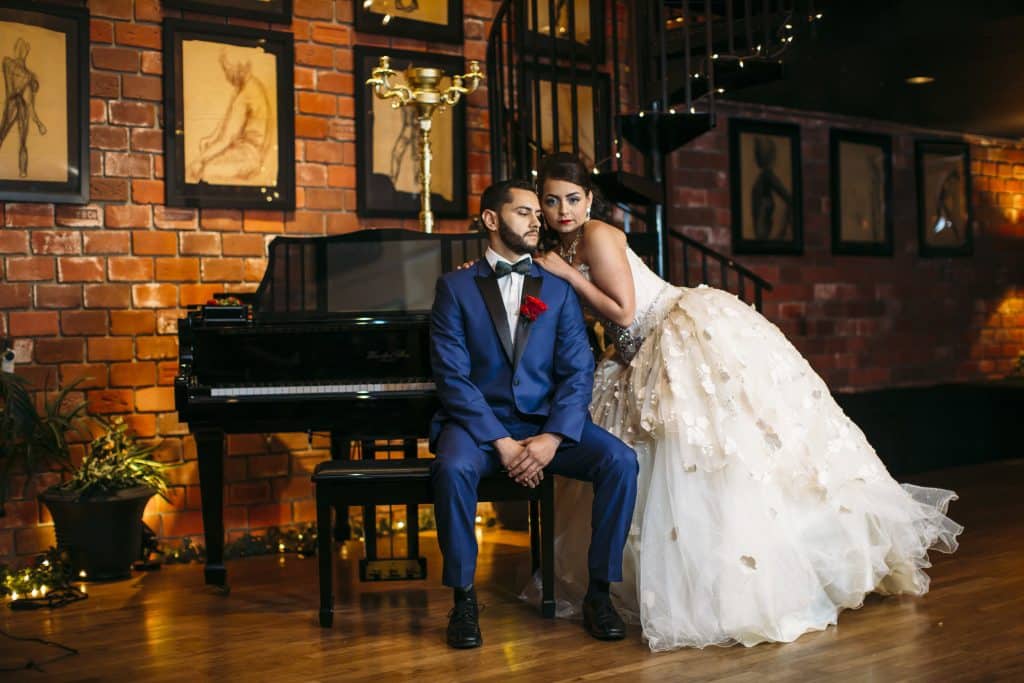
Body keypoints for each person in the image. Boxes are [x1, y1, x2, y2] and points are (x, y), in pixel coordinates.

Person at [528, 152, 963, 651]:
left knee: (715, 455)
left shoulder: (597, 235)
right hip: (635, 353)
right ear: (541, 206)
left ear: (590, 200)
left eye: (574, 199)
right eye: (552, 200)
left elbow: (625, 311)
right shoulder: (563, 245)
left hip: (675, 330)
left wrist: (567, 276)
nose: (564, 209)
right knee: (674, 464)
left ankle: (760, 581)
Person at [429, 179, 639, 649]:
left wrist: (552, 438)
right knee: (452, 467)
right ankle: (463, 600)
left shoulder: (558, 289)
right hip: (479, 428)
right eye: (524, 212)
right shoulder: (454, 287)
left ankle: (599, 594)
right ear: (490, 220)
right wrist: (502, 443)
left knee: (620, 461)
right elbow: (452, 377)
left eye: (536, 214)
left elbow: (577, 372)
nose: (537, 220)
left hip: (546, 425)